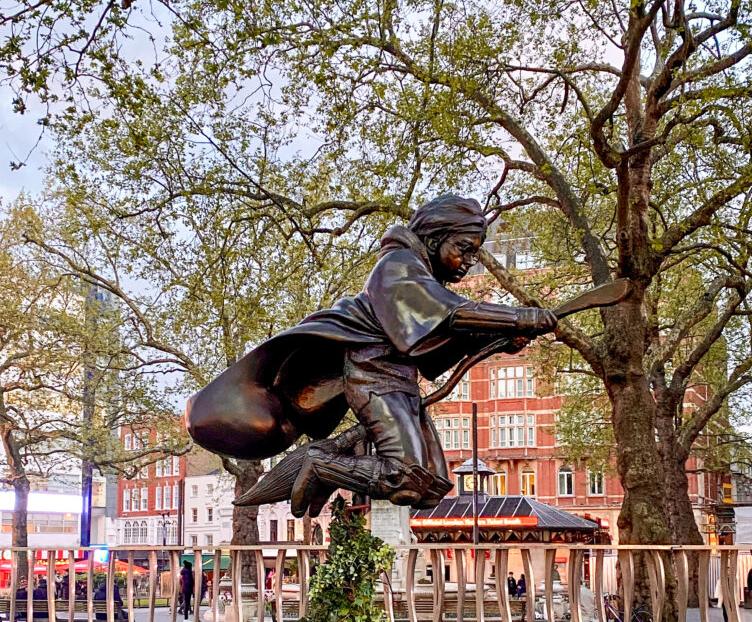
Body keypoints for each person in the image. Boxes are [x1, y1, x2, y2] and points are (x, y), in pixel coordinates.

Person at [186, 194, 556, 515]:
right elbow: (451, 313)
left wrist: (500, 341)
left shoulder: (421, 276)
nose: (469, 261)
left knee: (432, 485)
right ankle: (319, 462)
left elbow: (430, 349)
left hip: (401, 382)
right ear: (435, 237)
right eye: (464, 248)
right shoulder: (397, 268)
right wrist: (518, 317)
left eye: (474, 252)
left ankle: (336, 457)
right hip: (374, 378)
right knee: (403, 477)